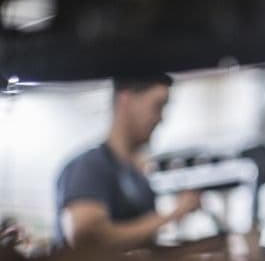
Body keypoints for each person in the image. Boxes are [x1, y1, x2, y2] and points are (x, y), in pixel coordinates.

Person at [55, 74, 201, 250]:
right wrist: (175, 213)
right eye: (157, 106)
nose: (161, 119)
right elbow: (86, 237)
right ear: (126, 99)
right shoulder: (90, 166)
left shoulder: (138, 177)